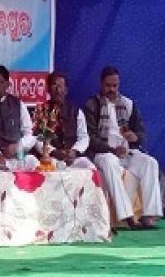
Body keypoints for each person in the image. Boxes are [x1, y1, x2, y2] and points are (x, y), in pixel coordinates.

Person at [84, 66, 162, 229]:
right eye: (108, 85)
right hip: (104, 153)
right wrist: (112, 149)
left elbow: (141, 132)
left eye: (115, 86)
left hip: (127, 153)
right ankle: (127, 216)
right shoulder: (92, 105)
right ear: (101, 84)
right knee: (111, 162)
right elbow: (90, 138)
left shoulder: (128, 104)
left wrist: (136, 137)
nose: (111, 89)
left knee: (150, 163)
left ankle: (149, 214)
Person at [35, 72, 95, 170]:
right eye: (54, 86)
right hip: (52, 158)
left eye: (61, 86)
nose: (58, 91)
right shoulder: (42, 111)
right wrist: (54, 152)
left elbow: (83, 137)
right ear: (49, 90)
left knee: (89, 168)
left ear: (66, 90)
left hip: (72, 158)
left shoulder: (76, 112)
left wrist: (74, 151)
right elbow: (37, 139)